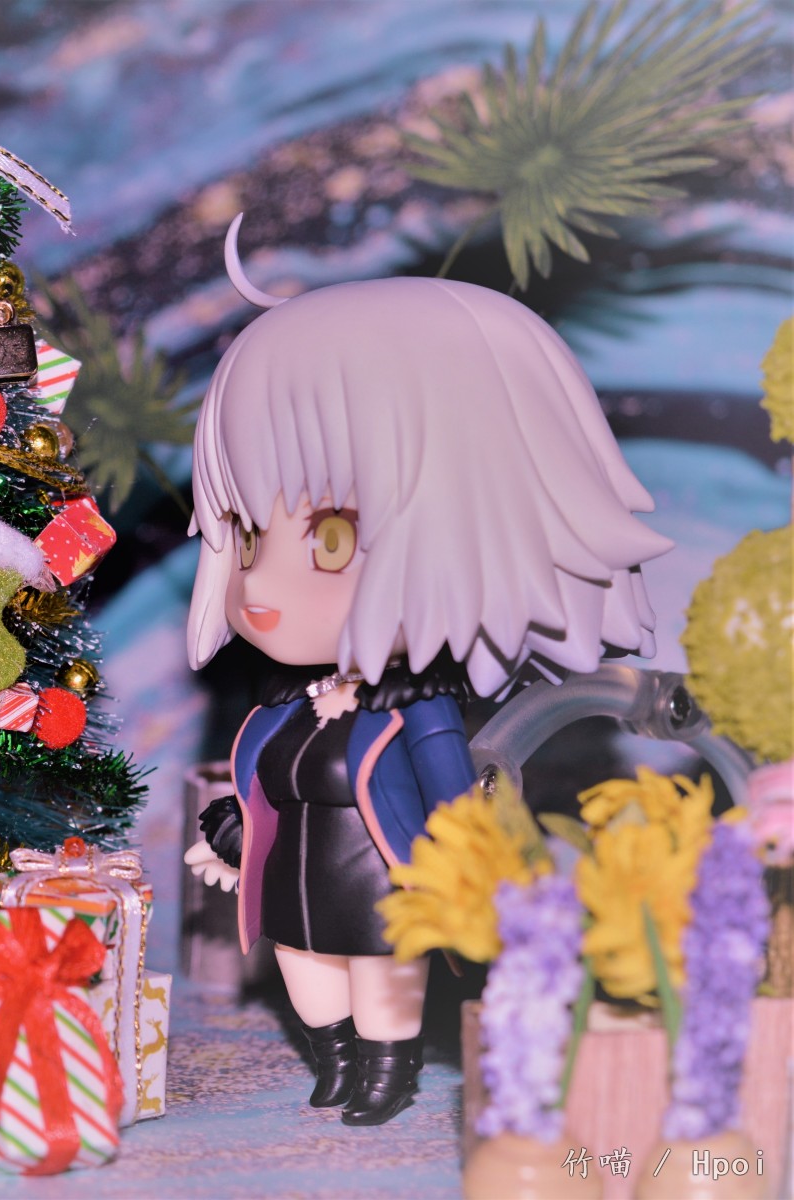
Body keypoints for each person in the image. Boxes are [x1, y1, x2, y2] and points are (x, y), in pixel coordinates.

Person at [183, 216, 671, 1125]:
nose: (260, 589)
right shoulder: (284, 704)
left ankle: (385, 1068)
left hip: (382, 889)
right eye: (245, 536)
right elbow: (264, 786)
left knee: (381, 980)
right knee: (307, 979)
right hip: (294, 885)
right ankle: (334, 1060)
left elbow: (452, 806)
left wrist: (478, 880)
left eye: (331, 539)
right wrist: (233, 829)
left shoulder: (420, 709)